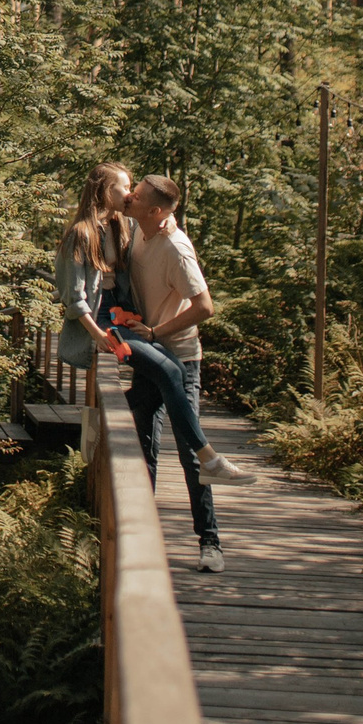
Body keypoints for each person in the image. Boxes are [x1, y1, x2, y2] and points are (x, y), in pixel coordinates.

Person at [52, 163, 254, 534]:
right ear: (103, 191)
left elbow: (162, 243)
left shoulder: (124, 226)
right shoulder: (82, 234)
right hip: (106, 323)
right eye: (125, 188)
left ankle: (205, 507)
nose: (130, 195)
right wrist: (98, 335)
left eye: (135, 190)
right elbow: (74, 297)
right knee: (164, 378)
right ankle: (208, 459)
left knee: (164, 383)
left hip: (132, 322)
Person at [119, 172, 252, 572]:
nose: (128, 197)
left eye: (136, 195)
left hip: (180, 361)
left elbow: (205, 307)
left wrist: (157, 331)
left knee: (191, 454)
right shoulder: (137, 228)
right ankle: (141, 540)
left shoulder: (176, 248)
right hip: (148, 358)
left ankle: (210, 543)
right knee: (143, 448)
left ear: (155, 211)